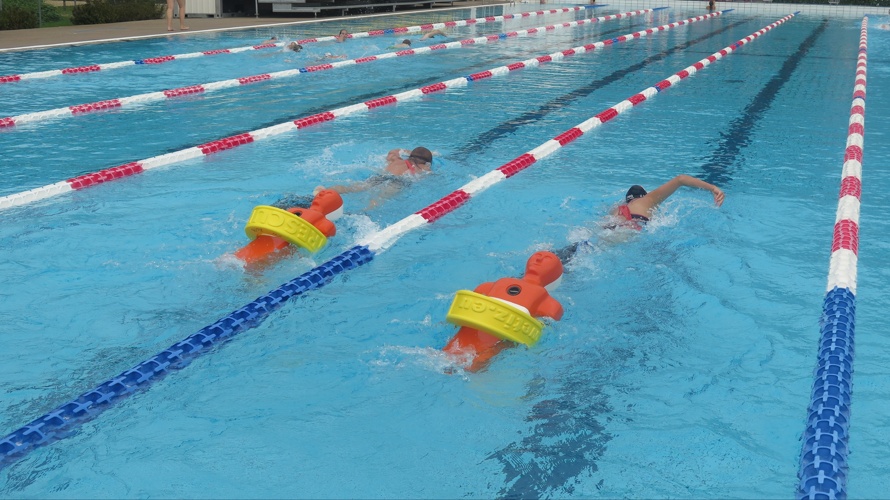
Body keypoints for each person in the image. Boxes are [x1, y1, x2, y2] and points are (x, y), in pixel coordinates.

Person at [554, 175, 724, 263]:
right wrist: (713, 188)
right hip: (625, 231)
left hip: (605, 230)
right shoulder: (649, 200)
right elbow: (680, 179)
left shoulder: (616, 208)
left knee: (582, 249)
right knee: (588, 257)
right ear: (644, 195)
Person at [314, 147, 434, 209]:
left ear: (410, 155)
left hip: (382, 176)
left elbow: (393, 151)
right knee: (381, 198)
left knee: (354, 187)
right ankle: (365, 212)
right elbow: (427, 175)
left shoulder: (396, 160)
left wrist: (407, 151)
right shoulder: (423, 168)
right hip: (399, 182)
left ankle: (323, 192)